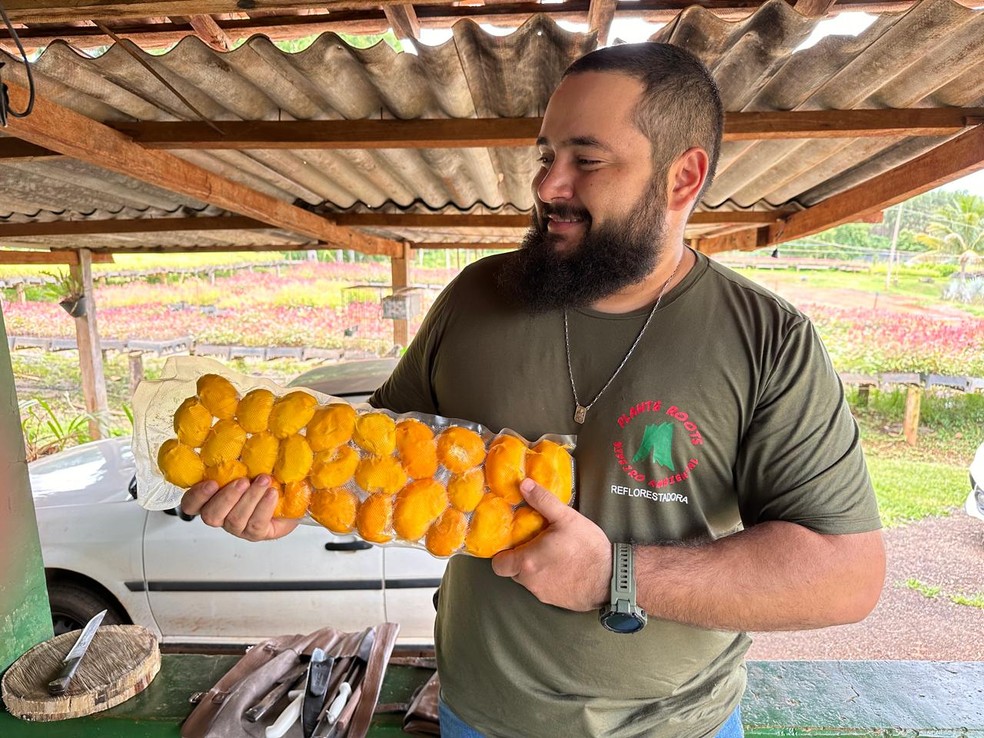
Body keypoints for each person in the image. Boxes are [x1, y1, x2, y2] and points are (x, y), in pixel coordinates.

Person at [182, 43, 886, 738]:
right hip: (478, 718)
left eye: (587, 160)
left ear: (683, 178)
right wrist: (288, 505)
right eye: (546, 156)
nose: (548, 186)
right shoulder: (474, 300)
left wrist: (617, 574)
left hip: (680, 727)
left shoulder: (766, 339)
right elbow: (372, 462)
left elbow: (845, 575)